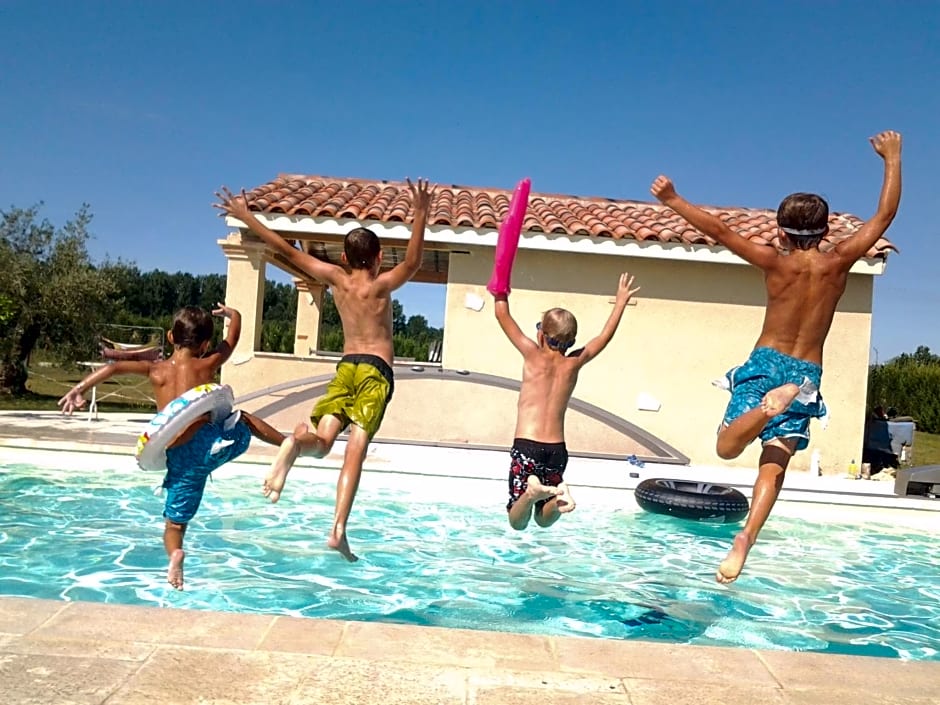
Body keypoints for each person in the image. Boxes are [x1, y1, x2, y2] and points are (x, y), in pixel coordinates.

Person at [650, 130, 902, 583]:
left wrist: (673, 200)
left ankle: (768, 405)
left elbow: (721, 230)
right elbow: (884, 215)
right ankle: (746, 536)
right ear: (824, 231)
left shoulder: (774, 261)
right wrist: (892, 157)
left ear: (781, 231)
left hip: (766, 362)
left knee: (727, 446)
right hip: (805, 373)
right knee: (776, 461)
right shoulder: (838, 260)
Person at [215, 178, 435, 562]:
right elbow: (414, 262)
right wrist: (419, 215)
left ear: (345, 259)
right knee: (357, 447)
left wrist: (247, 217)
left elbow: (286, 249)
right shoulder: (382, 286)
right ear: (380, 256)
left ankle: (294, 444)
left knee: (323, 440)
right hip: (374, 372)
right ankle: (338, 528)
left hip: (346, 367)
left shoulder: (336, 279)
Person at [57, 304, 285, 589]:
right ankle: (287, 444)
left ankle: (175, 554)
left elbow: (113, 366)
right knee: (245, 421)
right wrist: (233, 315)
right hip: (210, 443)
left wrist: (78, 389)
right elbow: (233, 340)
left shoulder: (155, 370)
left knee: (174, 525)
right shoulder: (207, 363)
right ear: (204, 344)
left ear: (169, 337)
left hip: (180, 458)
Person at [494, 272, 640, 530]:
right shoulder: (574, 363)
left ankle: (530, 493)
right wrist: (620, 303)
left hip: (527, 446)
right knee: (543, 519)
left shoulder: (532, 355)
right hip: (556, 450)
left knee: (518, 522)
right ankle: (559, 499)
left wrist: (500, 287)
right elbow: (603, 338)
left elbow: (501, 315)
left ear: (542, 335)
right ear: (570, 341)